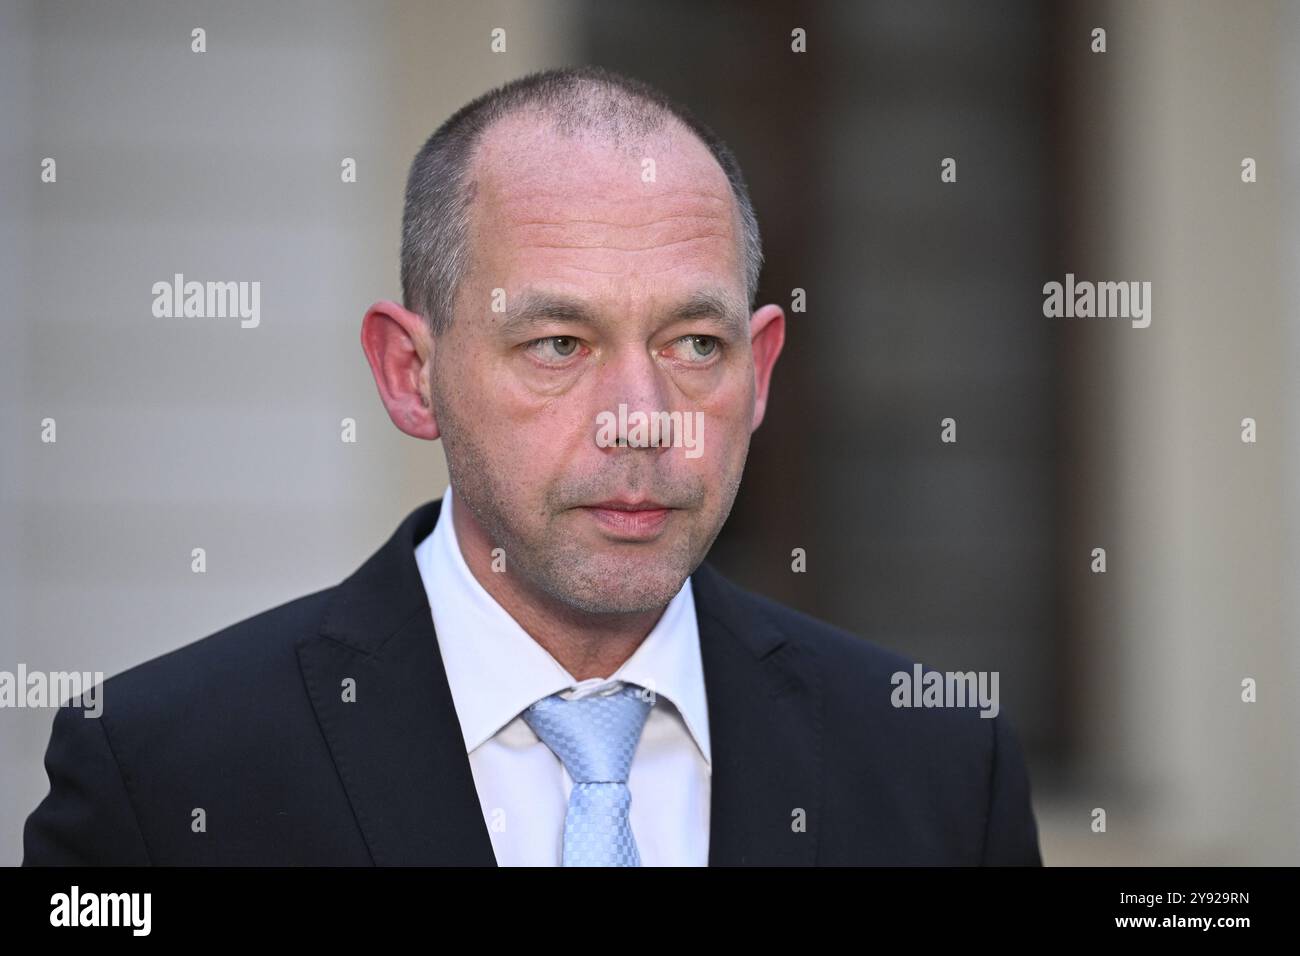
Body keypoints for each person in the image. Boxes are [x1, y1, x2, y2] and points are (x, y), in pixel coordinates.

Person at [23, 65, 1041, 866]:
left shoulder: (939, 767)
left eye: (694, 344)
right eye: (558, 344)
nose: (642, 422)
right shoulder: (161, 775)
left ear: (761, 367)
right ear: (410, 373)